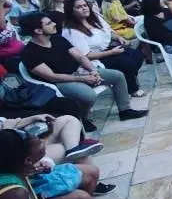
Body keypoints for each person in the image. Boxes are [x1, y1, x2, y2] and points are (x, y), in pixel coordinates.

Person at [18, 13, 147, 130]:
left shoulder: (58, 39)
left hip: (79, 72)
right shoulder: (29, 53)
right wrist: (83, 78)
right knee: (89, 95)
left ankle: (125, 110)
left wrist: (92, 70)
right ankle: (83, 119)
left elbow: (79, 56)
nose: (54, 24)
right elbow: (52, 77)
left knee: (117, 76)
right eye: (49, 23)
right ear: (38, 30)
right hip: (61, 82)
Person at [62, 0, 146, 98]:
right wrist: (111, 53)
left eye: (85, 5)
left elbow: (109, 32)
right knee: (127, 63)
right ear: (71, 11)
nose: (84, 8)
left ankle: (127, 82)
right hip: (93, 59)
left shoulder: (95, 18)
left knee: (138, 55)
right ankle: (131, 89)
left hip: (108, 49)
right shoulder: (71, 31)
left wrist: (119, 38)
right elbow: (85, 56)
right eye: (79, 7)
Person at [0, 0, 24, 66]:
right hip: (8, 58)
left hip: (21, 49)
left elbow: (9, 5)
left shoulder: (2, 16)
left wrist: (1, 1)